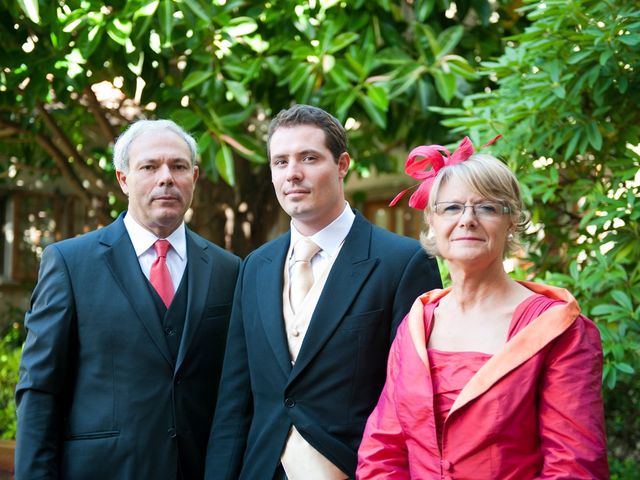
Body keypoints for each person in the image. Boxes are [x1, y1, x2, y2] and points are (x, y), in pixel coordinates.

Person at [204, 104, 442, 480]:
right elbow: (235, 399)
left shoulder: (403, 262)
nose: (292, 174)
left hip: (356, 469)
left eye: (309, 158)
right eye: (280, 162)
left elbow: (414, 399)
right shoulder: (255, 267)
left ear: (342, 164)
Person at [357, 137, 609, 479]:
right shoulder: (417, 325)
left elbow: (573, 467)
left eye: (487, 207)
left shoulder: (557, 330)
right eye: (451, 208)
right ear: (432, 220)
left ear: (512, 222)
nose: (467, 220)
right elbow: (383, 451)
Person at [15, 119, 241, 479]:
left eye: (178, 166)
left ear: (194, 177)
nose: (165, 177)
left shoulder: (229, 270)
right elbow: (40, 389)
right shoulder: (70, 263)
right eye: (149, 167)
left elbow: (235, 393)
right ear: (123, 179)